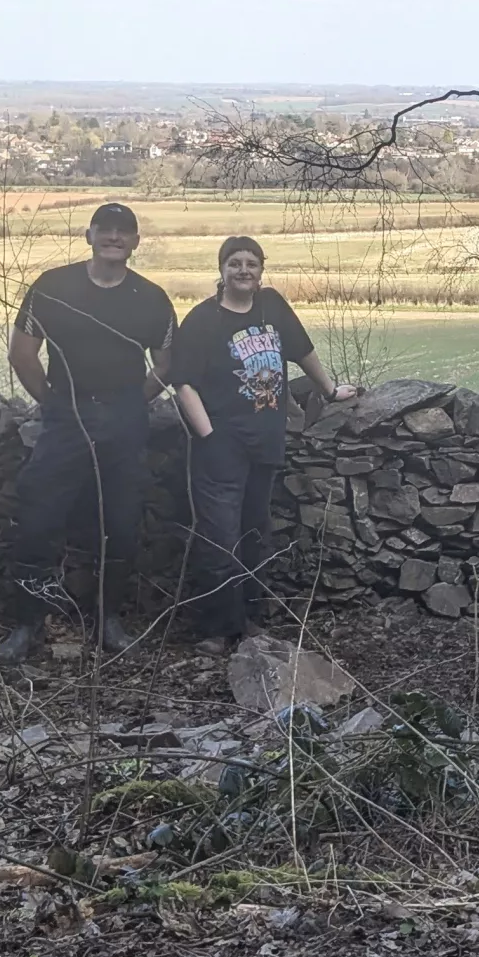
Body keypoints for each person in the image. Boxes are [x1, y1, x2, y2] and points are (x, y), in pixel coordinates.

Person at [0, 203, 177, 665]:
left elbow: (168, 361)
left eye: (124, 232)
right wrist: (53, 400)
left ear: (136, 241)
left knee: (120, 523)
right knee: (38, 519)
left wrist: (137, 399)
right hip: (66, 415)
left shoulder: (152, 298)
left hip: (125, 418)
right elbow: (22, 352)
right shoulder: (54, 287)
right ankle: (26, 625)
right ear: (89, 234)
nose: (114, 238)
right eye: (106, 230)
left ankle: (108, 623)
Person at [169, 237, 358, 654]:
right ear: (221, 270)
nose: (243, 270)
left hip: (265, 442)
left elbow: (303, 351)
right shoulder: (204, 320)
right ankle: (219, 630)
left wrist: (328, 391)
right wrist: (208, 435)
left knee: (255, 533)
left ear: (261, 270)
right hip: (220, 445)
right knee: (221, 535)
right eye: (234, 263)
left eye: (251, 263)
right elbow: (183, 382)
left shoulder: (272, 306)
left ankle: (249, 621)